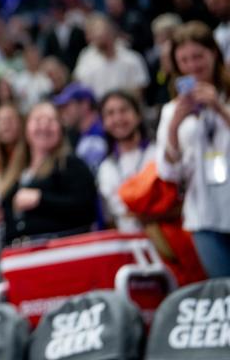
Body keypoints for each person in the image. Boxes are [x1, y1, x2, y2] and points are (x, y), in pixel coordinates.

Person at [157, 21, 230, 277]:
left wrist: (221, 110)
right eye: (184, 60)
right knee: (224, 295)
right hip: (203, 216)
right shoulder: (171, 111)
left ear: (214, 53)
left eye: (198, 56)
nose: (192, 66)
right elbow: (168, 173)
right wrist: (174, 127)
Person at [2, 102, 97, 244]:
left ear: (60, 129)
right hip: (20, 256)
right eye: (38, 120)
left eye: (51, 121)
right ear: (26, 128)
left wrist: (40, 200)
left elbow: (86, 209)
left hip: (58, 254)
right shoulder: (16, 172)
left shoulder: (71, 164)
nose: (44, 126)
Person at [97, 91, 155, 233]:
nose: (118, 118)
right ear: (103, 123)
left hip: (165, 239)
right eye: (110, 113)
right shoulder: (105, 168)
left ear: (138, 115)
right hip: (126, 245)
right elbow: (109, 218)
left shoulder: (159, 153)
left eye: (124, 110)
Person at [53, 82, 108, 171]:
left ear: (84, 105)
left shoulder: (95, 138)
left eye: (67, 106)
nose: (63, 112)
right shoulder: (86, 134)